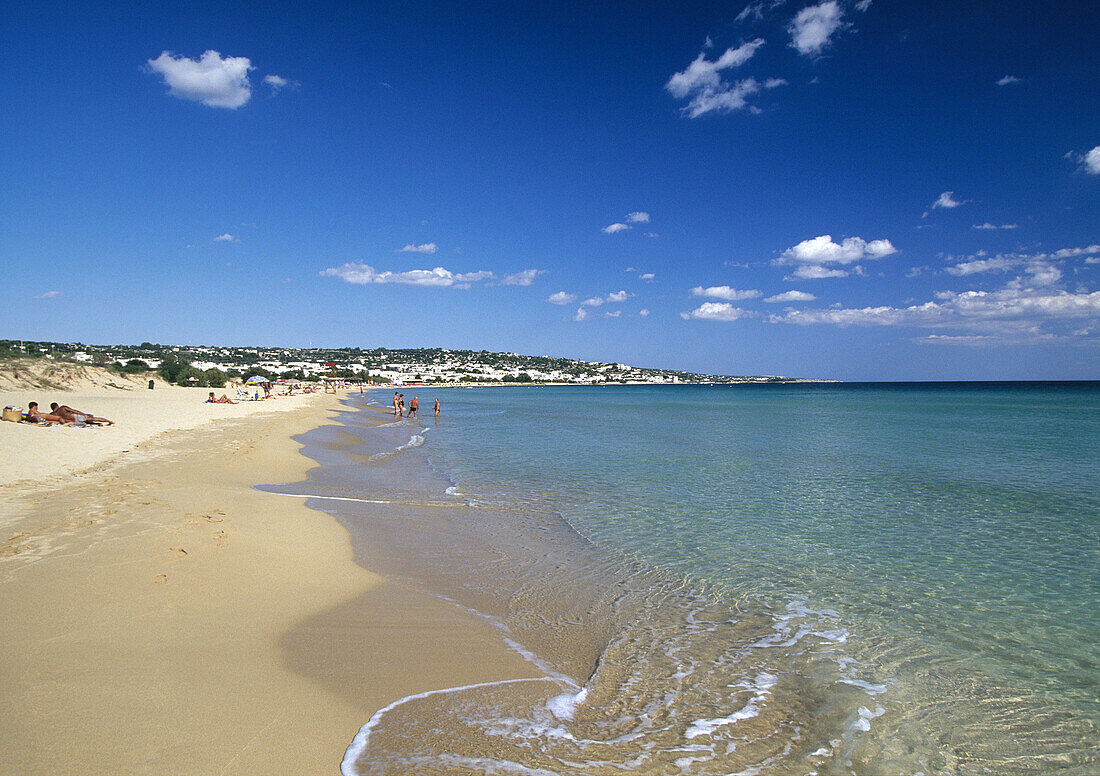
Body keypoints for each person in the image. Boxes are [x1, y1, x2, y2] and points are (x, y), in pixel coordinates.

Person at [49, 403, 114, 426]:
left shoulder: (53, 414)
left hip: (72, 422)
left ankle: (97, 424)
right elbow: (74, 410)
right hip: (75, 417)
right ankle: (109, 421)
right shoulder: (62, 408)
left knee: (87, 423)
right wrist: (83, 414)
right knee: (92, 418)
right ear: (57, 405)